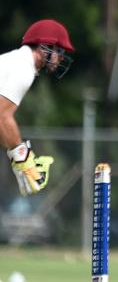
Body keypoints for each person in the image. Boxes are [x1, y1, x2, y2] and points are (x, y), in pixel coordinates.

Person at [1, 19, 75, 196]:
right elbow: (3, 116)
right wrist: (23, 160)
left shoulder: (16, 61)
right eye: (59, 50)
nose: (61, 57)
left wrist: (21, 156)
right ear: (44, 47)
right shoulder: (23, 69)